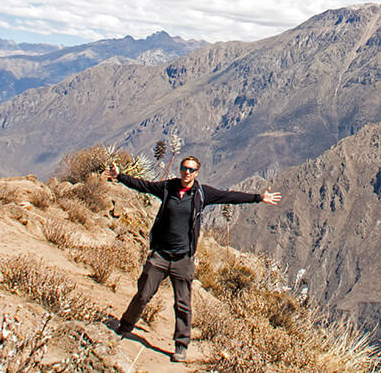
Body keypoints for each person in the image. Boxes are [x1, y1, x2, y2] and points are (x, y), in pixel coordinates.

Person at [104, 155, 281, 363]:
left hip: (183, 259)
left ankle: (181, 345)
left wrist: (258, 197)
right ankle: (125, 326)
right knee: (143, 293)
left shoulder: (202, 193)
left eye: (191, 170)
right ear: (180, 170)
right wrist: (120, 176)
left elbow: (229, 196)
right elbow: (144, 185)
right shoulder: (168, 188)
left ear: (196, 173)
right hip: (160, 255)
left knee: (183, 304)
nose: (186, 173)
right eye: (184, 168)